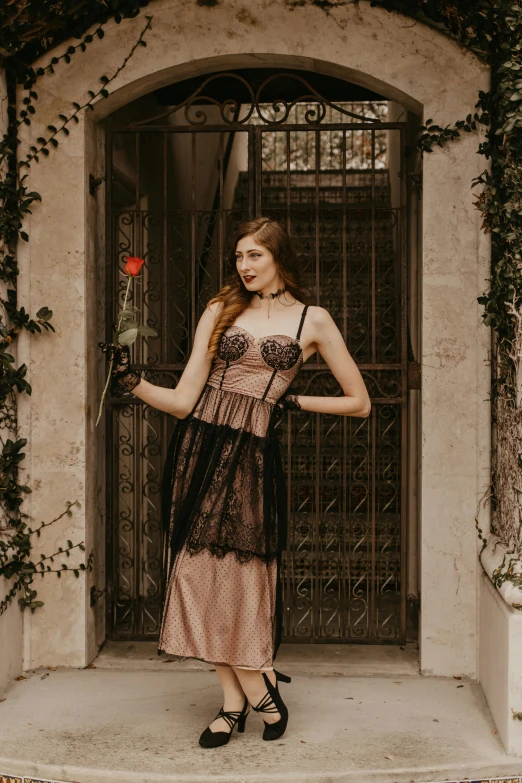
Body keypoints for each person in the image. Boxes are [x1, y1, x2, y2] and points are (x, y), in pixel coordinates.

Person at [100, 216, 371, 748]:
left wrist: (291, 400)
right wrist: (133, 382)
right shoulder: (220, 310)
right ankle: (238, 699)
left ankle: (257, 681)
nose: (244, 267)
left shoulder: (312, 321)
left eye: (255, 256)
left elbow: (359, 403)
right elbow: (182, 401)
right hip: (199, 451)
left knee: (243, 581)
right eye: (239, 257)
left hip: (251, 459)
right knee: (198, 577)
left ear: (279, 259)